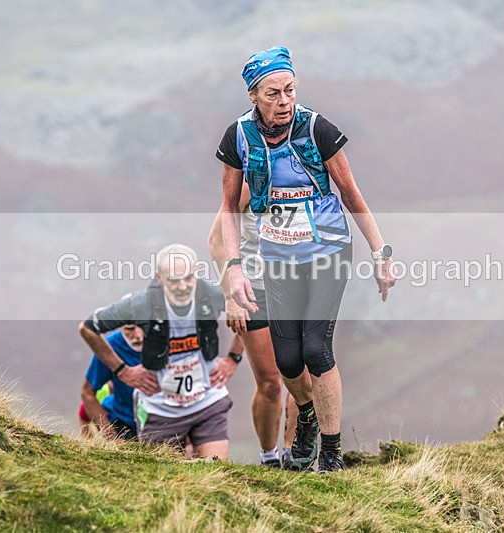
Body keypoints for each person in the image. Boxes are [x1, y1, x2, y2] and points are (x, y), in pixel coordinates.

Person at [218, 46, 395, 473]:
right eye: (273, 93)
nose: (284, 101)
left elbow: (351, 194)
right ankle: (308, 415)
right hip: (278, 256)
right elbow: (229, 209)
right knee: (287, 360)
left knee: (316, 349)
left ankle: (331, 452)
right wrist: (234, 269)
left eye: (290, 90)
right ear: (253, 96)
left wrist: (381, 253)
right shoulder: (238, 136)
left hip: (328, 250)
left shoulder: (317, 129)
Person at [78, 244, 239, 459]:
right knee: (167, 476)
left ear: (197, 274)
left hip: (207, 401)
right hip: (161, 411)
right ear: (159, 278)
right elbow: (88, 328)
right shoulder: (140, 304)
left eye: (188, 278)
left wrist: (233, 358)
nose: (182, 286)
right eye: (174, 280)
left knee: (216, 469)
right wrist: (123, 371)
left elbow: (249, 309)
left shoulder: (212, 295)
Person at [209, 189, 300, 468]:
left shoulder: (310, 176)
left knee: (302, 377)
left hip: (297, 288)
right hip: (254, 290)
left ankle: (295, 455)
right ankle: (269, 457)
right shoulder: (250, 181)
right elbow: (216, 242)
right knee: (270, 382)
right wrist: (230, 296)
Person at [79, 324, 144, 440]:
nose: (138, 335)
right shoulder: (110, 346)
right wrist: (111, 436)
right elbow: (86, 396)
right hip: (125, 423)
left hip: (166, 421)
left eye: (144, 326)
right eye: (129, 329)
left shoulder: (169, 337)